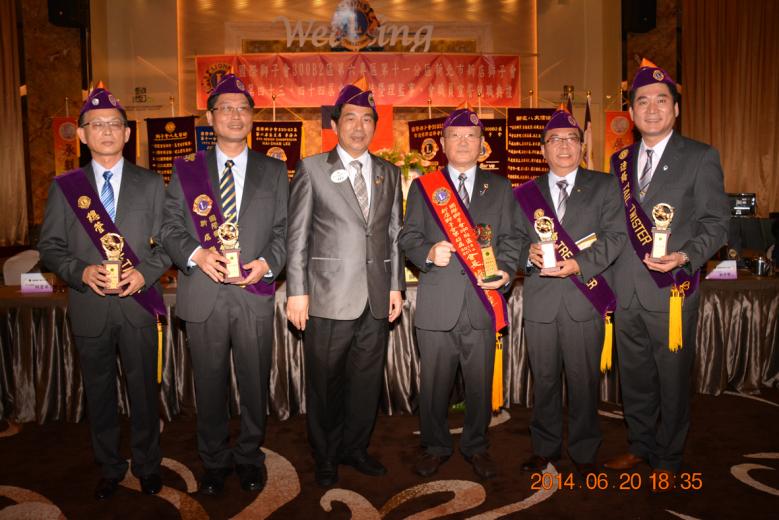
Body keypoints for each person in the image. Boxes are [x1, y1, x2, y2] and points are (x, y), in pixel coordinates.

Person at [602, 62, 729, 490]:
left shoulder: (700, 156)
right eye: (643, 102)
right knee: (634, 377)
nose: (652, 109)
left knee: (672, 379)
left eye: (661, 100)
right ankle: (640, 445)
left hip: (672, 289)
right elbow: (612, 225)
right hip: (625, 289)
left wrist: (685, 256)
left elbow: (716, 225)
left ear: (675, 109)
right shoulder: (619, 160)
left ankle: (670, 456)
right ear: (631, 113)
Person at [38, 87, 169, 500]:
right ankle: (110, 466)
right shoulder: (66, 187)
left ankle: (148, 465)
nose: (107, 131)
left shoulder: (151, 183)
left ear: (128, 133)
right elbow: (50, 247)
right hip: (89, 306)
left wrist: (144, 274)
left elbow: (169, 242)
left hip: (138, 305)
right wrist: (81, 271)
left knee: (144, 393)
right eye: (97, 125)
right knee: (99, 393)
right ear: (81, 134)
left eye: (115, 124)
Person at [161, 74, 288, 495]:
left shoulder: (274, 169)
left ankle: (249, 456)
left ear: (252, 117)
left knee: (254, 383)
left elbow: (285, 230)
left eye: (243, 109)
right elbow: (169, 227)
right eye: (226, 108)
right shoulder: (187, 169)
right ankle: (213, 461)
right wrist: (197, 255)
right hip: (204, 293)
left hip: (253, 293)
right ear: (210, 118)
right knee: (210, 385)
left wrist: (266, 263)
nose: (235, 115)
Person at [286, 80, 404, 487]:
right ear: (334, 125)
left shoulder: (389, 173)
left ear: (375, 126)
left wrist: (396, 286)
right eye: (350, 118)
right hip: (327, 298)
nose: (359, 126)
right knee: (325, 384)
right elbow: (297, 237)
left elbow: (393, 234)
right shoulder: (312, 169)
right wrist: (297, 291)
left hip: (376, 298)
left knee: (366, 383)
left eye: (367, 119)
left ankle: (356, 448)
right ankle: (326, 455)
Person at [399, 108, 522, 479]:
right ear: (443, 143)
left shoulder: (499, 187)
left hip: (482, 303)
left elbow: (513, 238)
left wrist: (506, 270)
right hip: (439, 304)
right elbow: (408, 237)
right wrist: (427, 253)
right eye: (455, 136)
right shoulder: (424, 187)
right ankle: (435, 446)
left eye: (471, 136)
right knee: (434, 386)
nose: (464, 142)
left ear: (482, 144)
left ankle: (476, 446)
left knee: (479, 385)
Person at [513, 110, 625, 477]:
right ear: (543, 149)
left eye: (571, 139)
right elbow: (511, 240)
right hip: (541, 301)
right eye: (555, 140)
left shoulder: (604, 186)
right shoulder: (524, 193)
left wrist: (579, 264)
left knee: (583, 381)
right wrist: (524, 255)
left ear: (582, 146)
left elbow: (616, 237)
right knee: (544, 380)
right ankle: (544, 448)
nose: (564, 146)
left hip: (585, 299)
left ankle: (584, 450)